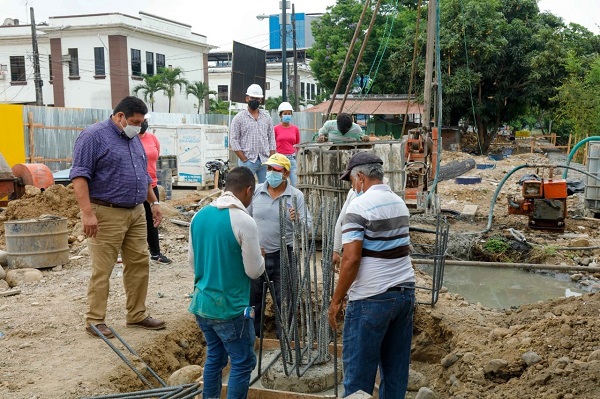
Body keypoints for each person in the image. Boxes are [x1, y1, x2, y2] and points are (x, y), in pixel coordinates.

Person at [70, 96, 166, 339]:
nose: (138, 126)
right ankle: (95, 320)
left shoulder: (133, 139)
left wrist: (153, 202)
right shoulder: (93, 136)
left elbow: (142, 175)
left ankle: (136, 314)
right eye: (134, 121)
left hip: (135, 211)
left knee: (139, 263)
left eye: (141, 122)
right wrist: (87, 213)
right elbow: (79, 176)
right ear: (120, 116)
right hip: (106, 213)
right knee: (103, 269)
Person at [328, 152, 416, 398]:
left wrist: (336, 301)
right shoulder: (398, 202)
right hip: (404, 294)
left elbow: (351, 258)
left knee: (358, 379)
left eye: (352, 181)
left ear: (360, 177)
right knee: (395, 374)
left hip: (371, 298)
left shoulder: (359, 205)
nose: (353, 186)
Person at [188, 166, 265, 399]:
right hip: (229, 307)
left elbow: (193, 263)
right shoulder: (244, 220)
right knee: (242, 362)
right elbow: (254, 271)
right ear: (248, 190)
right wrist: (260, 256)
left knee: (216, 356)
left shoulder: (198, 216)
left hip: (202, 303)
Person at [248, 153, 312, 338]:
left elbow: (308, 226)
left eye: (275, 170)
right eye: (268, 169)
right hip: (258, 255)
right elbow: (245, 218)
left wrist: (297, 219)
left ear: (285, 173)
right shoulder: (256, 191)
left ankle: (285, 340)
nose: (270, 173)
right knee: (254, 299)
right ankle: (255, 337)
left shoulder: (296, 196)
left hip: (284, 255)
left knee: (285, 300)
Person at [138, 116, 172, 265]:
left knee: (153, 219)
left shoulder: (152, 139)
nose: (143, 123)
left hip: (151, 184)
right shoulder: (129, 139)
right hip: (135, 185)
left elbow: (155, 156)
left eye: (146, 120)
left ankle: (155, 253)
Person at [230, 84, 276, 183]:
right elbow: (234, 140)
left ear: (261, 100)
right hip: (248, 161)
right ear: (247, 98)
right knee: (245, 189)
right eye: (252, 98)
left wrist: (271, 160)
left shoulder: (267, 118)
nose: (255, 101)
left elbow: (272, 139)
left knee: (266, 189)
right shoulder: (239, 118)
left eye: (257, 99)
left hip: (265, 161)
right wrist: (244, 159)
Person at [274, 101, 300, 186]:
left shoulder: (295, 129)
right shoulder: (275, 129)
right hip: (280, 158)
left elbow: (297, 145)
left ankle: (293, 199)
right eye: (285, 113)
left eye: (289, 113)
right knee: (279, 182)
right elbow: (272, 144)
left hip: (291, 159)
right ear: (280, 115)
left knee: (295, 183)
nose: (287, 115)